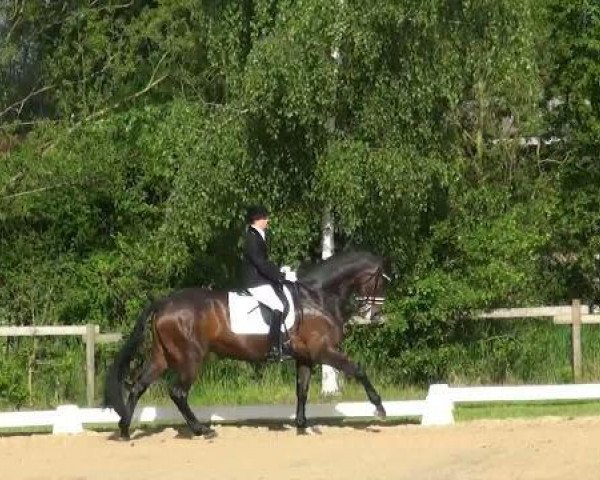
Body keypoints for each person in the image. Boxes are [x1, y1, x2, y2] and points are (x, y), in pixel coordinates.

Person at [241, 205, 293, 361]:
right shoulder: (251, 238)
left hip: (260, 279)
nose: (267, 220)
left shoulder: (258, 235)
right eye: (265, 218)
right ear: (257, 220)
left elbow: (264, 262)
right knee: (278, 305)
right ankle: (274, 348)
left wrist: (280, 273)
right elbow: (260, 263)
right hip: (254, 281)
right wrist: (278, 276)